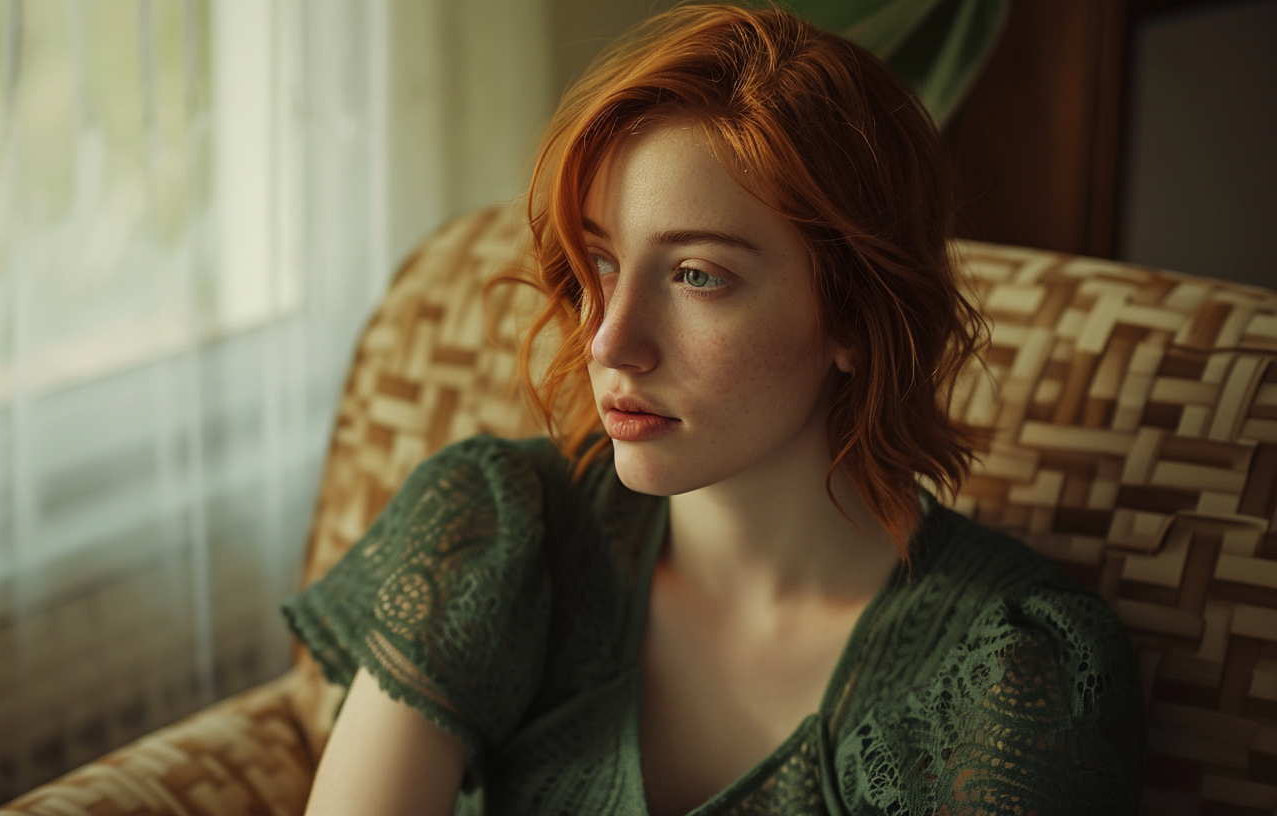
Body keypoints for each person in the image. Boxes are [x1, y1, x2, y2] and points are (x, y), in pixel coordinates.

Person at [284, 5, 1145, 815]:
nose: (611, 343)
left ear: (853, 313)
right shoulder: (495, 531)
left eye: (697, 275)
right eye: (601, 263)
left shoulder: (1012, 674)